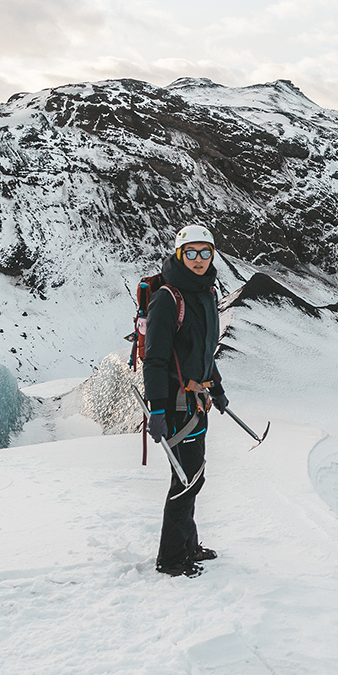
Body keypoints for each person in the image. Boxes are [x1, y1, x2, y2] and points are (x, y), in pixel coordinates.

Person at [144, 223, 229, 577]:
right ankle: (172, 559)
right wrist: (158, 409)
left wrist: (218, 387)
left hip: (198, 401)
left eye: (204, 252)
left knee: (194, 474)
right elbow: (155, 359)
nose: (198, 259)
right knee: (186, 479)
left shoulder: (206, 292)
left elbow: (206, 350)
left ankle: (188, 544)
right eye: (190, 253)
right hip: (177, 406)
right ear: (180, 254)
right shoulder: (169, 298)